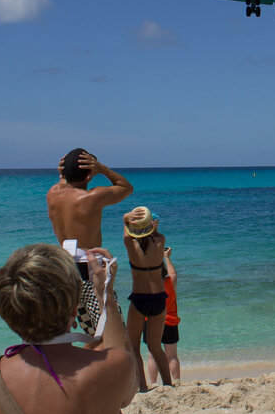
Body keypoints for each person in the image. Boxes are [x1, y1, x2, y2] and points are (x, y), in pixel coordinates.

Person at [0, 244, 137, 414]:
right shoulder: (111, 369)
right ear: (74, 309)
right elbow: (122, 359)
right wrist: (105, 296)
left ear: (5, 310)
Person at [47, 148, 133, 334]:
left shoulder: (52, 194)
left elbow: (65, 182)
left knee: (91, 333)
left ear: (64, 173)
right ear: (89, 176)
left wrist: (65, 171)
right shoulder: (91, 198)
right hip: (92, 270)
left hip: (66, 270)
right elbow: (126, 188)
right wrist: (102, 169)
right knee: (114, 331)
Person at [123, 206, 173, 390]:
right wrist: (153, 227)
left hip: (139, 298)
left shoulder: (130, 244)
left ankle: (143, 387)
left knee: (134, 347)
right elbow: (156, 234)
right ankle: (168, 384)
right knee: (155, 347)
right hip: (159, 298)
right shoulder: (160, 240)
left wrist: (126, 218)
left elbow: (127, 231)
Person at [145, 246, 181, 384]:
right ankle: (176, 381)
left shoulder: (148, 285)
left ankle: (153, 383)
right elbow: (174, 274)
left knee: (152, 356)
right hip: (170, 321)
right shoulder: (169, 283)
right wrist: (166, 257)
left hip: (152, 322)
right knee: (172, 356)